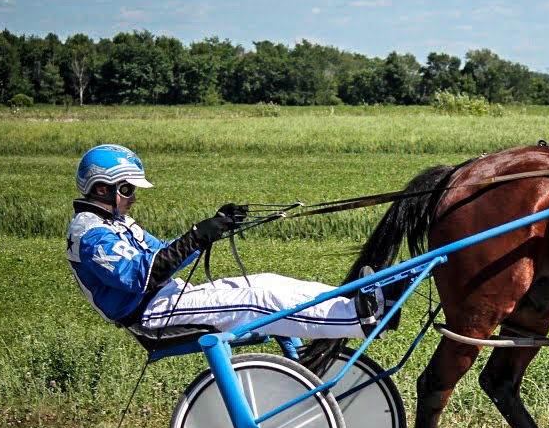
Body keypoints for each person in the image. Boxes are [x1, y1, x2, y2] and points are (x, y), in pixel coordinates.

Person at [65, 144, 386, 343]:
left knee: (265, 281)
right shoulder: (90, 234)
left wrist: (213, 227)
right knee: (257, 300)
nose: (134, 198)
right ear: (102, 189)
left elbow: (162, 250)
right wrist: (200, 234)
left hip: (168, 297)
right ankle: (358, 320)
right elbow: (142, 275)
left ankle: (347, 302)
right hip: (151, 314)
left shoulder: (114, 222)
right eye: (127, 189)